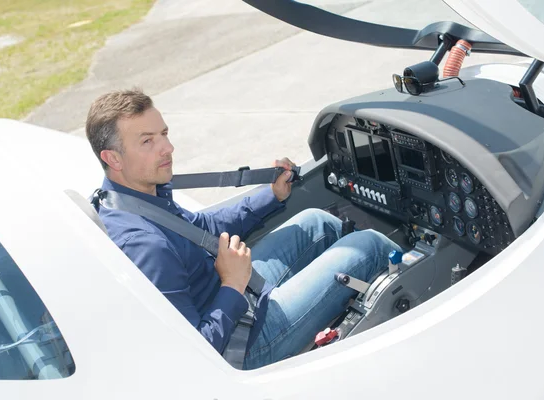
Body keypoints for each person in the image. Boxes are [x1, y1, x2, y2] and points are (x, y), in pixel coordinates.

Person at [85, 89, 401, 369]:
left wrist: (272, 195)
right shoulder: (144, 244)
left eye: (164, 133)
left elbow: (201, 229)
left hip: (229, 296)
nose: (167, 148)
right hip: (241, 346)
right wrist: (233, 283)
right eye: (147, 141)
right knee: (369, 246)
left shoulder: (135, 195)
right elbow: (198, 355)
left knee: (318, 224)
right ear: (112, 158)